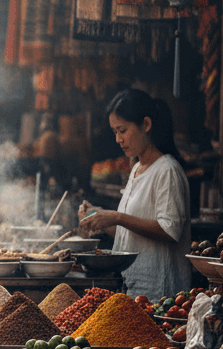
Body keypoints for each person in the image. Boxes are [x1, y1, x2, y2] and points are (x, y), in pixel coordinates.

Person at [78, 89, 191, 299]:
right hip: (134, 288)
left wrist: (117, 216)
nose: (118, 139)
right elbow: (129, 232)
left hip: (160, 293)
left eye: (122, 130)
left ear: (146, 125)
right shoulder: (137, 169)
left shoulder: (167, 170)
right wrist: (98, 218)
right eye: (114, 132)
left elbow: (170, 230)